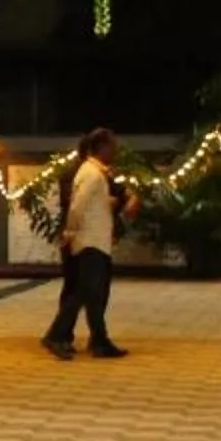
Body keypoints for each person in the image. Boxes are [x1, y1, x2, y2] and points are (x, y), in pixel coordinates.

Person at [44, 127, 133, 360]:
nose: (115, 151)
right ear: (101, 148)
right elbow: (77, 206)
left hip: (96, 241)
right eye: (112, 146)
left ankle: (100, 342)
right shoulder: (92, 174)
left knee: (92, 294)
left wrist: (108, 202)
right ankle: (56, 335)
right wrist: (71, 231)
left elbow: (90, 204)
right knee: (84, 291)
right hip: (90, 242)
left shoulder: (95, 173)